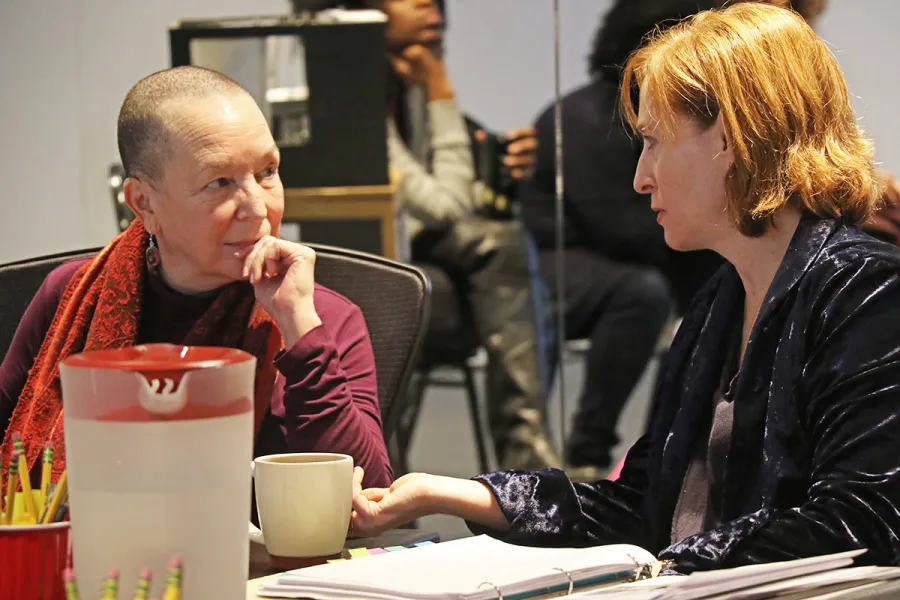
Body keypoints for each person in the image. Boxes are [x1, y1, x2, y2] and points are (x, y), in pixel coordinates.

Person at [348, 3, 900, 571]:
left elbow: (861, 520)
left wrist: (672, 570)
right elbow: (641, 503)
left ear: (735, 135)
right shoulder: (721, 300)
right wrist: (455, 493)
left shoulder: (864, 289)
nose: (641, 176)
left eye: (655, 141)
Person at [0, 66, 392, 490]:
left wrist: (299, 327)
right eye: (219, 182)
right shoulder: (73, 297)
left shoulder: (319, 316)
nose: (258, 208)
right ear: (144, 202)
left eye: (267, 172)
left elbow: (367, 493)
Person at [518, 0, 739, 480]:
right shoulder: (589, 118)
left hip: (630, 255)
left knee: (712, 285)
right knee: (647, 292)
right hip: (556, 257)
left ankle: (672, 441)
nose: (644, 176)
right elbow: (621, 228)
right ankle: (597, 449)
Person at [345, 0, 560, 470]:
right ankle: (526, 457)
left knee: (521, 254)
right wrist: (441, 89)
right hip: (366, 249)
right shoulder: (349, 85)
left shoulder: (407, 78)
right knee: (501, 248)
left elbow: (442, 196)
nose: (429, 5)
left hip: (413, 244)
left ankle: (530, 457)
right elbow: (447, 204)